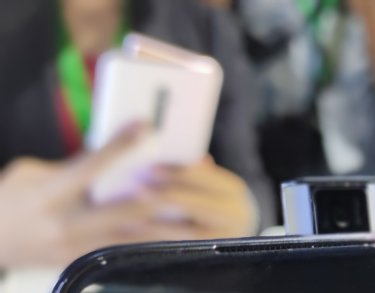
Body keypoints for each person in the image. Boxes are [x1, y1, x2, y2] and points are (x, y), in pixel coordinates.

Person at [0, 0, 275, 268]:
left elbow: (254, 185)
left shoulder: (204, 25)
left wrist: (245, 219)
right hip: (33, 284)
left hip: (164, 276)